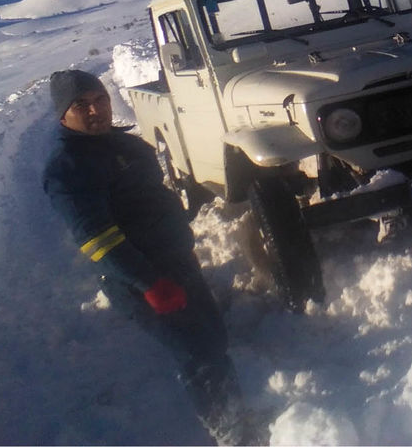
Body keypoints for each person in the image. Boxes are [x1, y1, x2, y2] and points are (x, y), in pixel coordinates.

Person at [41, 69, 258, 445]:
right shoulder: (67, 169)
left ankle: (237, 416)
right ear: (63, 115)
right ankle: (233, 434)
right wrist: (149, 283)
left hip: (176, 262)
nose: (96, 110)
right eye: (81, 105)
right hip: (143, 279)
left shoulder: (120, 145)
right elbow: (97, 240)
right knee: (197, 354)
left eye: (100, 100)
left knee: (212, 339)